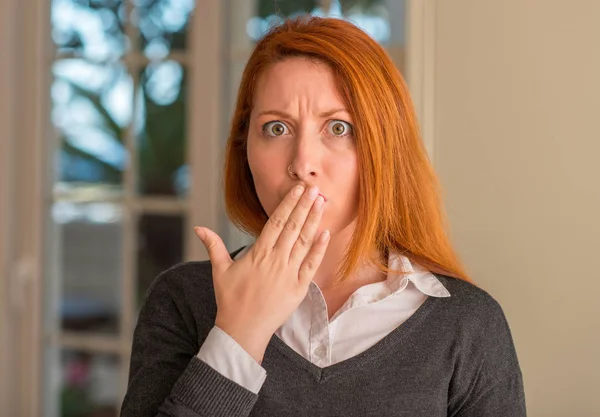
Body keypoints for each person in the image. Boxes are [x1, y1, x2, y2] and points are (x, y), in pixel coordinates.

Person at [120, 16, 526, 417]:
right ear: (244, 150)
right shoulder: (182, 301)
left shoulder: (469, 325)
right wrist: (239, 334)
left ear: (385, 147)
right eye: (276, 128)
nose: (302, 163)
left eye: (338, 128)